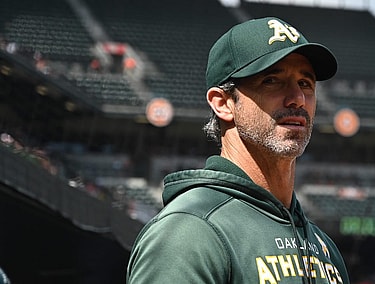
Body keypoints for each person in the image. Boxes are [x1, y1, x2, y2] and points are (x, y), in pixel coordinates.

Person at [127, 16, 350, 284]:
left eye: (305, 83)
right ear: (223, 103)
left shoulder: (322, 246)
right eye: (271, 80)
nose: (297, 98)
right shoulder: (189, 232)